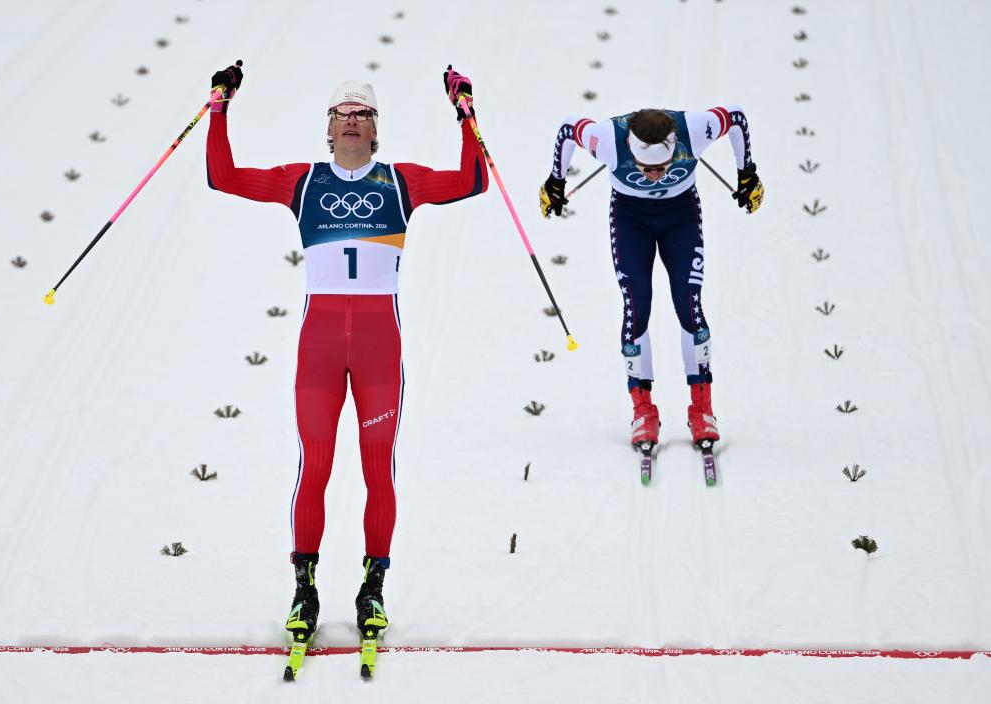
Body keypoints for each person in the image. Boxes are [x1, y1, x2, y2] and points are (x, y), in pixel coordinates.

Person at [205, 63, 487, 644]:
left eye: (363, 114)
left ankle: (372, 587)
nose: (352, 121)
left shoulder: (401, 182)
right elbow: (222, 176)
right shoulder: (303, 181)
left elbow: (472, 180)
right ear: (328, 128)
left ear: (375, 129)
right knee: (316, 465)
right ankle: (304, 588)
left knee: (377, 468)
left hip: (380, 345)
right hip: (322, 346)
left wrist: (466, 113)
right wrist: (219, 106)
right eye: (342, 114)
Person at [539, 106, 763, 450]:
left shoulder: (694, 129)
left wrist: (747, 173)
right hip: (631, 220)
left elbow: (736, 118)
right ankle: (643, 411)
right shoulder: (608, 140)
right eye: (647, 169)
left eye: (664, 167)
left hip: (680, 216)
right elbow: (569, 127)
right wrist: (556, 180)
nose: (656, 176)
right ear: (632, 150)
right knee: (637, 306)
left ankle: (702, 409)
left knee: (690, 305)